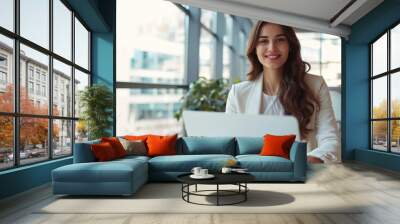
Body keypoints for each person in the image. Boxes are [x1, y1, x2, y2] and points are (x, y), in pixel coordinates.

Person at [225, 21, 339, 163]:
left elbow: (330, 139)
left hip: (301, 174)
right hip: (255, 173)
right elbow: (230, 144)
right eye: (263, 41)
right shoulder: (238, 93)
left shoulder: (315, 85)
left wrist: (310, 160)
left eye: (280, 40)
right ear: (254, 47)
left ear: (290, 46)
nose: (272, 48)